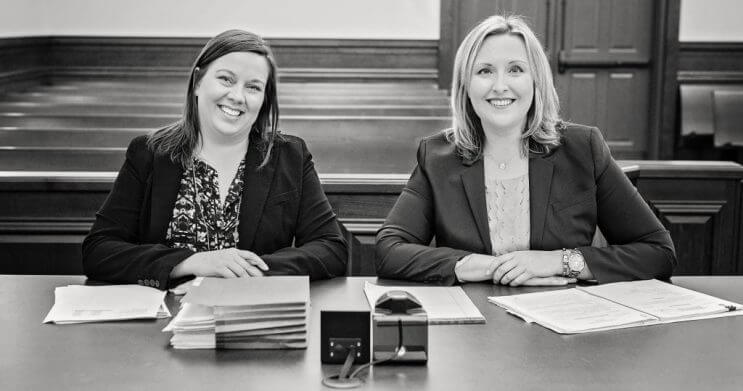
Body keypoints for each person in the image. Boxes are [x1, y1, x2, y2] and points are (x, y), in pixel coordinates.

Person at [375, 15, 676, 286]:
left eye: (516, 69)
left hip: (563, 331)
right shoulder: (438, 157)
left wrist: (557, 262)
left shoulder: (583, 149)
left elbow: (658, 251)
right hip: (475, 331)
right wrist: (479, 266)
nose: (500, 86)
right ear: (465, 85)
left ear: (536, 80)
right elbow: (390, 249)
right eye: (484, 71)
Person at [83, 30, 347, 290]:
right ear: (198, 82)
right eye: (226, 79)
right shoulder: (149, 153)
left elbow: (330, 247)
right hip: (164, 321)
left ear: (264, 99)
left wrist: (246, 273)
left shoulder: (289, 155)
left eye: (253, 87)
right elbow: (99, 250)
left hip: (250, 315)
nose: (237, 96)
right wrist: (191, 262)